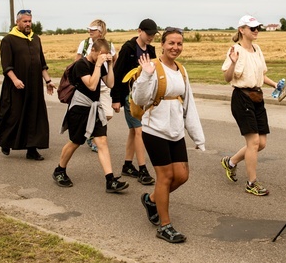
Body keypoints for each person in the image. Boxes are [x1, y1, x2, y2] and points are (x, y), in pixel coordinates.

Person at [132, 27, 205, 243]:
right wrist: (145, 75)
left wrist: (197, 136)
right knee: (165, 177)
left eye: (179, 43)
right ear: (162, 44)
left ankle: (151, 199)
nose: (175, 47)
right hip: (154, 130)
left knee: (181, 176)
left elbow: (189, 104)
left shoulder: (181, 70)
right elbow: (139, 98)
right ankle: (165, 226)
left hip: (175, 131)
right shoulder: (152, 67)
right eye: (171, 43)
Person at [53, 39, 129, 193]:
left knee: (102, 142)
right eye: (101, 54)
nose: (102, 57)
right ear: (93, 50)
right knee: (75, 141)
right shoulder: (81, 64)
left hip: (95, 109)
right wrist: (99, 65)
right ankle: (59, 170)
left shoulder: (100, 65)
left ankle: (110, 180)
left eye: (105, 55)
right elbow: (92, 85)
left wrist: (112, 64)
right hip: (79, 109)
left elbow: (110, 84)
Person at [219, 15, 280, 196]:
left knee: (261, 143)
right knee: (253, 142)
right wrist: (233, 62)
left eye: (257, 28)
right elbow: (228, 78)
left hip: (257, 96)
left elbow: (260, 75)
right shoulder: (235, 50)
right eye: (252, 28)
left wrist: (276, 84)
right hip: (242, 97)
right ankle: (251, 183)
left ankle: (230, 162)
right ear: (242, 30)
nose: (256, 31)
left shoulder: (257, 49)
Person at [0, 10, 55, 160]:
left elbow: (42, 63)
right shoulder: (8, 40)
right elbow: (6, 65)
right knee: (12, 116)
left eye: (29, 21)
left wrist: (48, 81)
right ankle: (5, 141)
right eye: (25, 21)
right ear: (18, 22)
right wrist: (15, 79)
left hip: (34, 86)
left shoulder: (36, 39)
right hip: (15, 86)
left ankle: (32, 149)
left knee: (34, 116)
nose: (28, 24)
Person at [110, 18, 158, 186]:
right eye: (148, 34)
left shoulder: (151, 50)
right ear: (140, 31)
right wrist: (115, 99)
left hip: (144, 97)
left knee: (133, 131)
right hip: (129, 97)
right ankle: (143, 170)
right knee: (139, 131)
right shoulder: (128, 48)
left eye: (153, 34)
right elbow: (117, 73)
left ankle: (127, 165)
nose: (151, 37)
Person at [75, 19, 116, 153]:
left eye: (93, 30)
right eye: (89, 29)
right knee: (76, 136)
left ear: (100, 32)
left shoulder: (108, 44)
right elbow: (78, 60)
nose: (89, 32)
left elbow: (115, 58)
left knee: (108, 114)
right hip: (88, 83)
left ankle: (92, 131)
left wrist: (110, 65)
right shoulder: (85, 43)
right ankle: (94, 137)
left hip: (103, 83)